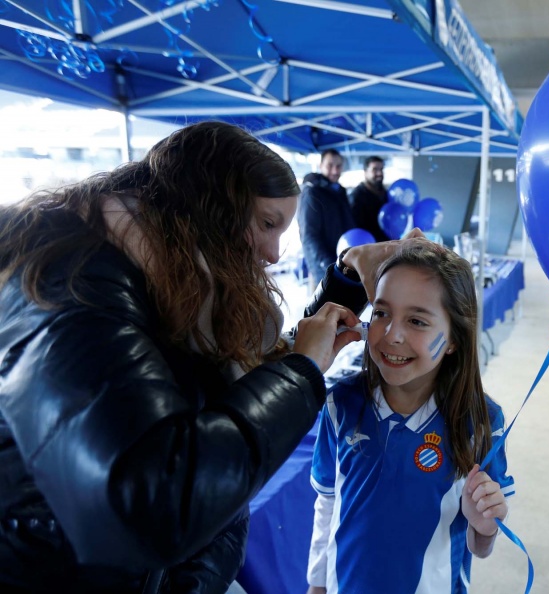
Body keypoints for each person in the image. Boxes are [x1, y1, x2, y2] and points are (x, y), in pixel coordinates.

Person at [0, 121, 416, 593]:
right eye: (265, 224)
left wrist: (341, 283)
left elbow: (238, 358)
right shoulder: (73, 287)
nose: (275, 254)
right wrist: (302, 373)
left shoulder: (167, 271)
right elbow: (153, 503)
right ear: (211, 209)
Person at [306, 242, 514, 593]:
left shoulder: (480, 422)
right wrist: (316, 584)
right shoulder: (339, 404)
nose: (392, 335)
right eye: (382, 313)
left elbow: (480, 548)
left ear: (453, 339)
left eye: (417, 321)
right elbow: (327, 504)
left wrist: (486, 527)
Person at [297, 149, 355, 288]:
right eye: (330, 165)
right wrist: (328, 264)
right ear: (320, 166)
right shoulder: (312, 192)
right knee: (324, 308)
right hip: (324, 268)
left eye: (338, 166)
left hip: (342, 264)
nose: (335, 171)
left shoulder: (340, 191)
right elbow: (309, 235)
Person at [349, 156, 390, 242]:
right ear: (365, 172)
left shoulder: (386, 194)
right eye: (375, 170)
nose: (379, 173)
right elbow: (355, 227)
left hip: (387, 246)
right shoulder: (357, 196)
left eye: (381, 169)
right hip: (368, 247)